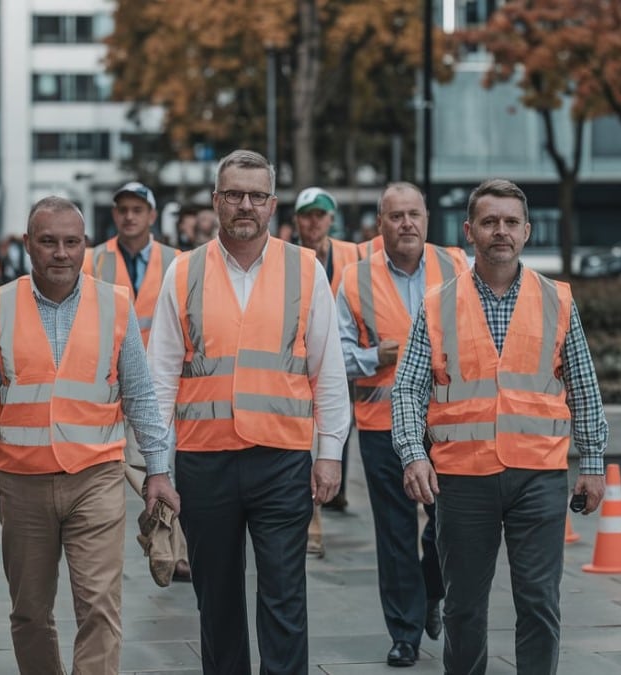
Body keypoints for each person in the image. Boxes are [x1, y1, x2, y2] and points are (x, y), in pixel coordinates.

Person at [0, 196, 180, 674]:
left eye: (71, 242)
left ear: (85, 247)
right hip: (22, 482)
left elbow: (140, 394)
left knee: (99, 606)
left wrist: (158, 469)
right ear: (28, 245)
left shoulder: (115, 304)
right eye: (48, 242)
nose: (61, 253)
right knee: (30, 613)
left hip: (95, 478)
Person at [392, 179, 609, 675]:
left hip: (539, 476)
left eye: (511, 222)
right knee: (464, 607)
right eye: (489, 222)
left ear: (527, 231)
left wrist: (593, 464)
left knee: (538, 603)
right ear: (470, 231)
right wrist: (412, 453)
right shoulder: (436, 303)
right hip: (463, 479)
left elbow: (584, 385)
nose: (501, 232)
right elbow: (406, 389)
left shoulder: (557, 299)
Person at [148, 150, 351, 674]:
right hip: (203, 462)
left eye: (256, 196)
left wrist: (329, 454)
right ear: (216, 201)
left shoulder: (306, 271)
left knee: (285, 596)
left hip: (281, 461)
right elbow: (159, 378)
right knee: (216, 601)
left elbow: (328, 369)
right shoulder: (183, 272)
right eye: (234, 194)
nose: (245, 205)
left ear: (272, 204)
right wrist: (157, 466)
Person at [337, 182, 468, 667]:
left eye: (414, 214)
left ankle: (432, 588)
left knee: (448, 522)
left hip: (449, 423)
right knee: (394, 533)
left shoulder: (458, 267)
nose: (406, 223)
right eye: (396, 216)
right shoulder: (354, 279)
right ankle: (405, 632)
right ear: (381, 224)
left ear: (427, 219)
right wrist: (378, 356)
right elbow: (338, 354)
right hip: (381, 425)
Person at [84, 181, 191, 584]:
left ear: (151, 215)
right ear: (114, 215)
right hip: (110, 385)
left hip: (164, 383)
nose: (129, 216)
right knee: (127, 471)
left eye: (137, 209)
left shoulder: (177, 261)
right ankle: (157, 542)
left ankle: (171, 550)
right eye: (122, 209)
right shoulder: (93, 261)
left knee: (164, 467)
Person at [293, 186, 361, 559]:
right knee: (310, 434)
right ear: (297, 220)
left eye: (320, 215)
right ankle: (312, 524)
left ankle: (334, 489)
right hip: (303, 361)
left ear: (331, 219)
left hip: (345, 359)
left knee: (338, 425)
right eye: (307, 214)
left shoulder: (352, 256)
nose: (314, 221)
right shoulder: (287, 258)